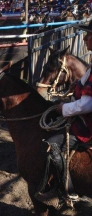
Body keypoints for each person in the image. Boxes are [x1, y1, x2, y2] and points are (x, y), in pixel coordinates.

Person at [36, 20, 92, 204]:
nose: (84, 39)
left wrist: (64, 108)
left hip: (88, 121)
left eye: (88, 35)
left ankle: (66, 190)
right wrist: (75, 88)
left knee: (52, 145)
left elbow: (87, 105)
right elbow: (83, 84)